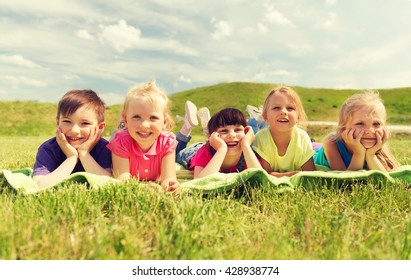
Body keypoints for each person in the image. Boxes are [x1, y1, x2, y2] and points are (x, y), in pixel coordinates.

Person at [107, 80, 179, 190]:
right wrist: (143, 189)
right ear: (126, 119)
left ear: (164, 122)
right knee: (118, 134)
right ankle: (119, 128)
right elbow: (122, 180)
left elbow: (168, 178)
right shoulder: (121, 142)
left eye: (153, 118)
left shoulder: (167, 142)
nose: (145, 125)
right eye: (136, 117)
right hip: (121, 138)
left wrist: (171, 185)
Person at [32, 89, 112, 189]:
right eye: (67, 121)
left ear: (100, 128)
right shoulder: (48, 149)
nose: (74, 130)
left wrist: (84, 153)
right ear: (58, 123)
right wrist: (71, 158)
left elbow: (108, 184)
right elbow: (40, 186)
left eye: (85, 123)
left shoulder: (104, 148)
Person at [313, 91, 398, 172]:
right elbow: (345, 181)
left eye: (376, 124)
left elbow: (384, 179)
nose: (370, 131)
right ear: (343, 128)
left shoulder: (377, 145)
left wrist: (371, 154)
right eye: (360, 124)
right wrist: (359, 153)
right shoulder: (331, 142)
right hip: (312, 150)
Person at [175, 103, 262, 179]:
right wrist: (221, 149)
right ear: (213, 137)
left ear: (246, 132)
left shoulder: (247, 152)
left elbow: (260, 177)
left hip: (213, 142)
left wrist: (246, 145)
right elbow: (200, 181)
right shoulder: (205, 152)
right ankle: (187, 127)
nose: (232, 135)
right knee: (174, 152)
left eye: (237, 130)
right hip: (192, 152)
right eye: (224, 131)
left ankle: (207, 131)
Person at [252, 85, 316, 177]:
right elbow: (264, 175)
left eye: (290, 108)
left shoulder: (302, 137)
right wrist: (293, 174)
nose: (283, 112)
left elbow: (310, 173)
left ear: (298, 117)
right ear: (265, 116)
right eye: (276, 108)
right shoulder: (261, 138)